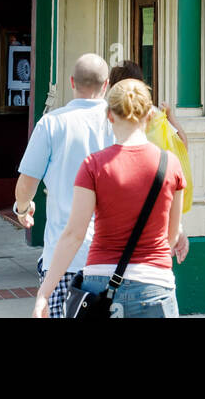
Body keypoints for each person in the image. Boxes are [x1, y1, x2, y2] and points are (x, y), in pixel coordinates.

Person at [33, 77, 185, 319]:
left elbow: (74, 234)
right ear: (148, 116)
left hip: (100, 283)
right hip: (154, 284)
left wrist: (44, 293)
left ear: (109, 116)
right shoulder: (170, 164)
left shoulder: (93, 166)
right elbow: (172, 235)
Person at [14, 53, 112, 319]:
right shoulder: (119, 125)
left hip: (64, 258)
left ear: (71, 82)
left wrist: (23, 209)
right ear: (106, 85)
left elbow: (26, 184)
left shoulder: (51, 123)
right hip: (113, 259)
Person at [110, 59, 190, 263]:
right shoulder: (155, 113)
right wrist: (171, 116)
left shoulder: (111, 115)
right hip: (157, 195)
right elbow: (182, 144)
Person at [109, 60, 189, 149]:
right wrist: (169, 116)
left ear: (111, 85)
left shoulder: (105, 113)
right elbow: (182, 145)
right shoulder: (153, 112)